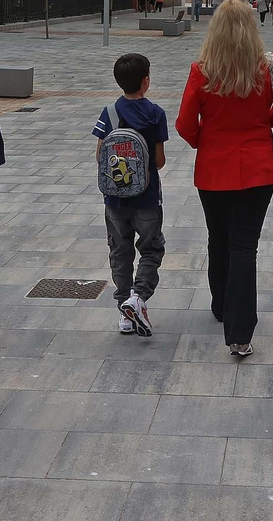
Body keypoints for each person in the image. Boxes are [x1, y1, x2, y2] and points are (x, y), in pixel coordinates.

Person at [175, 0, 273, 356]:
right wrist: (257, 124)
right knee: (245, 246)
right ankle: (240, 332)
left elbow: (184, 125)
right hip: (258, 167)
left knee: (218, 237)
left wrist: (207, 140)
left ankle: (220, 305)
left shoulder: (202, 70)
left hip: (213, 168)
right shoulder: (270, 66)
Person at [92, 53, 168, 338]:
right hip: (147, 198)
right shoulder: (156, 113)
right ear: (146, 82)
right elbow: (159, 161)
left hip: (114, 199)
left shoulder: (109, 112)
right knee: (151, 248)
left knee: (119, 251)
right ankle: (138, 298)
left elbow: (100, 155)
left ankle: (124, 310)